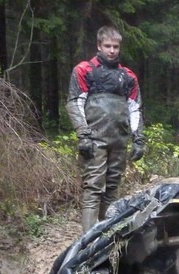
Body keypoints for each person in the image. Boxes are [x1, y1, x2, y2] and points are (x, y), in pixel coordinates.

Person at [66, 25, 145, 232]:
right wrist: (83, 134)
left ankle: (108, 236)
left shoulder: (128, 76)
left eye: (116, 46)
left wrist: (138, 139)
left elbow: (135, 108)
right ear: (99, 46)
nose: (112, 50)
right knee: (93, 187)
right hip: (94, 139)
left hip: (119, 140)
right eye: (108, 46)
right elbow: (75, 103)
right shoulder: (84, 70)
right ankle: (89, 240)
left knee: (112, 189)